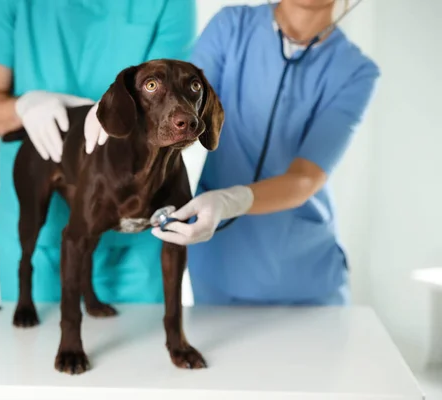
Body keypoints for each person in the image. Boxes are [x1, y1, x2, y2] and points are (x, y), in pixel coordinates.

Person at [89, 0, 380, 306]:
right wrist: (120, 106)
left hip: (305, 277)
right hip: (218, 268)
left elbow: (306, 177)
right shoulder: (233, 25)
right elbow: (182, 103)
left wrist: (232, 200)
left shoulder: (357, 71)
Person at [0, 0, 196, 304]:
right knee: (30, 342)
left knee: (139, 343)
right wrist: (22, 107)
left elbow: (170, 102)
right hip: (44, 230)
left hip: (137, 234)